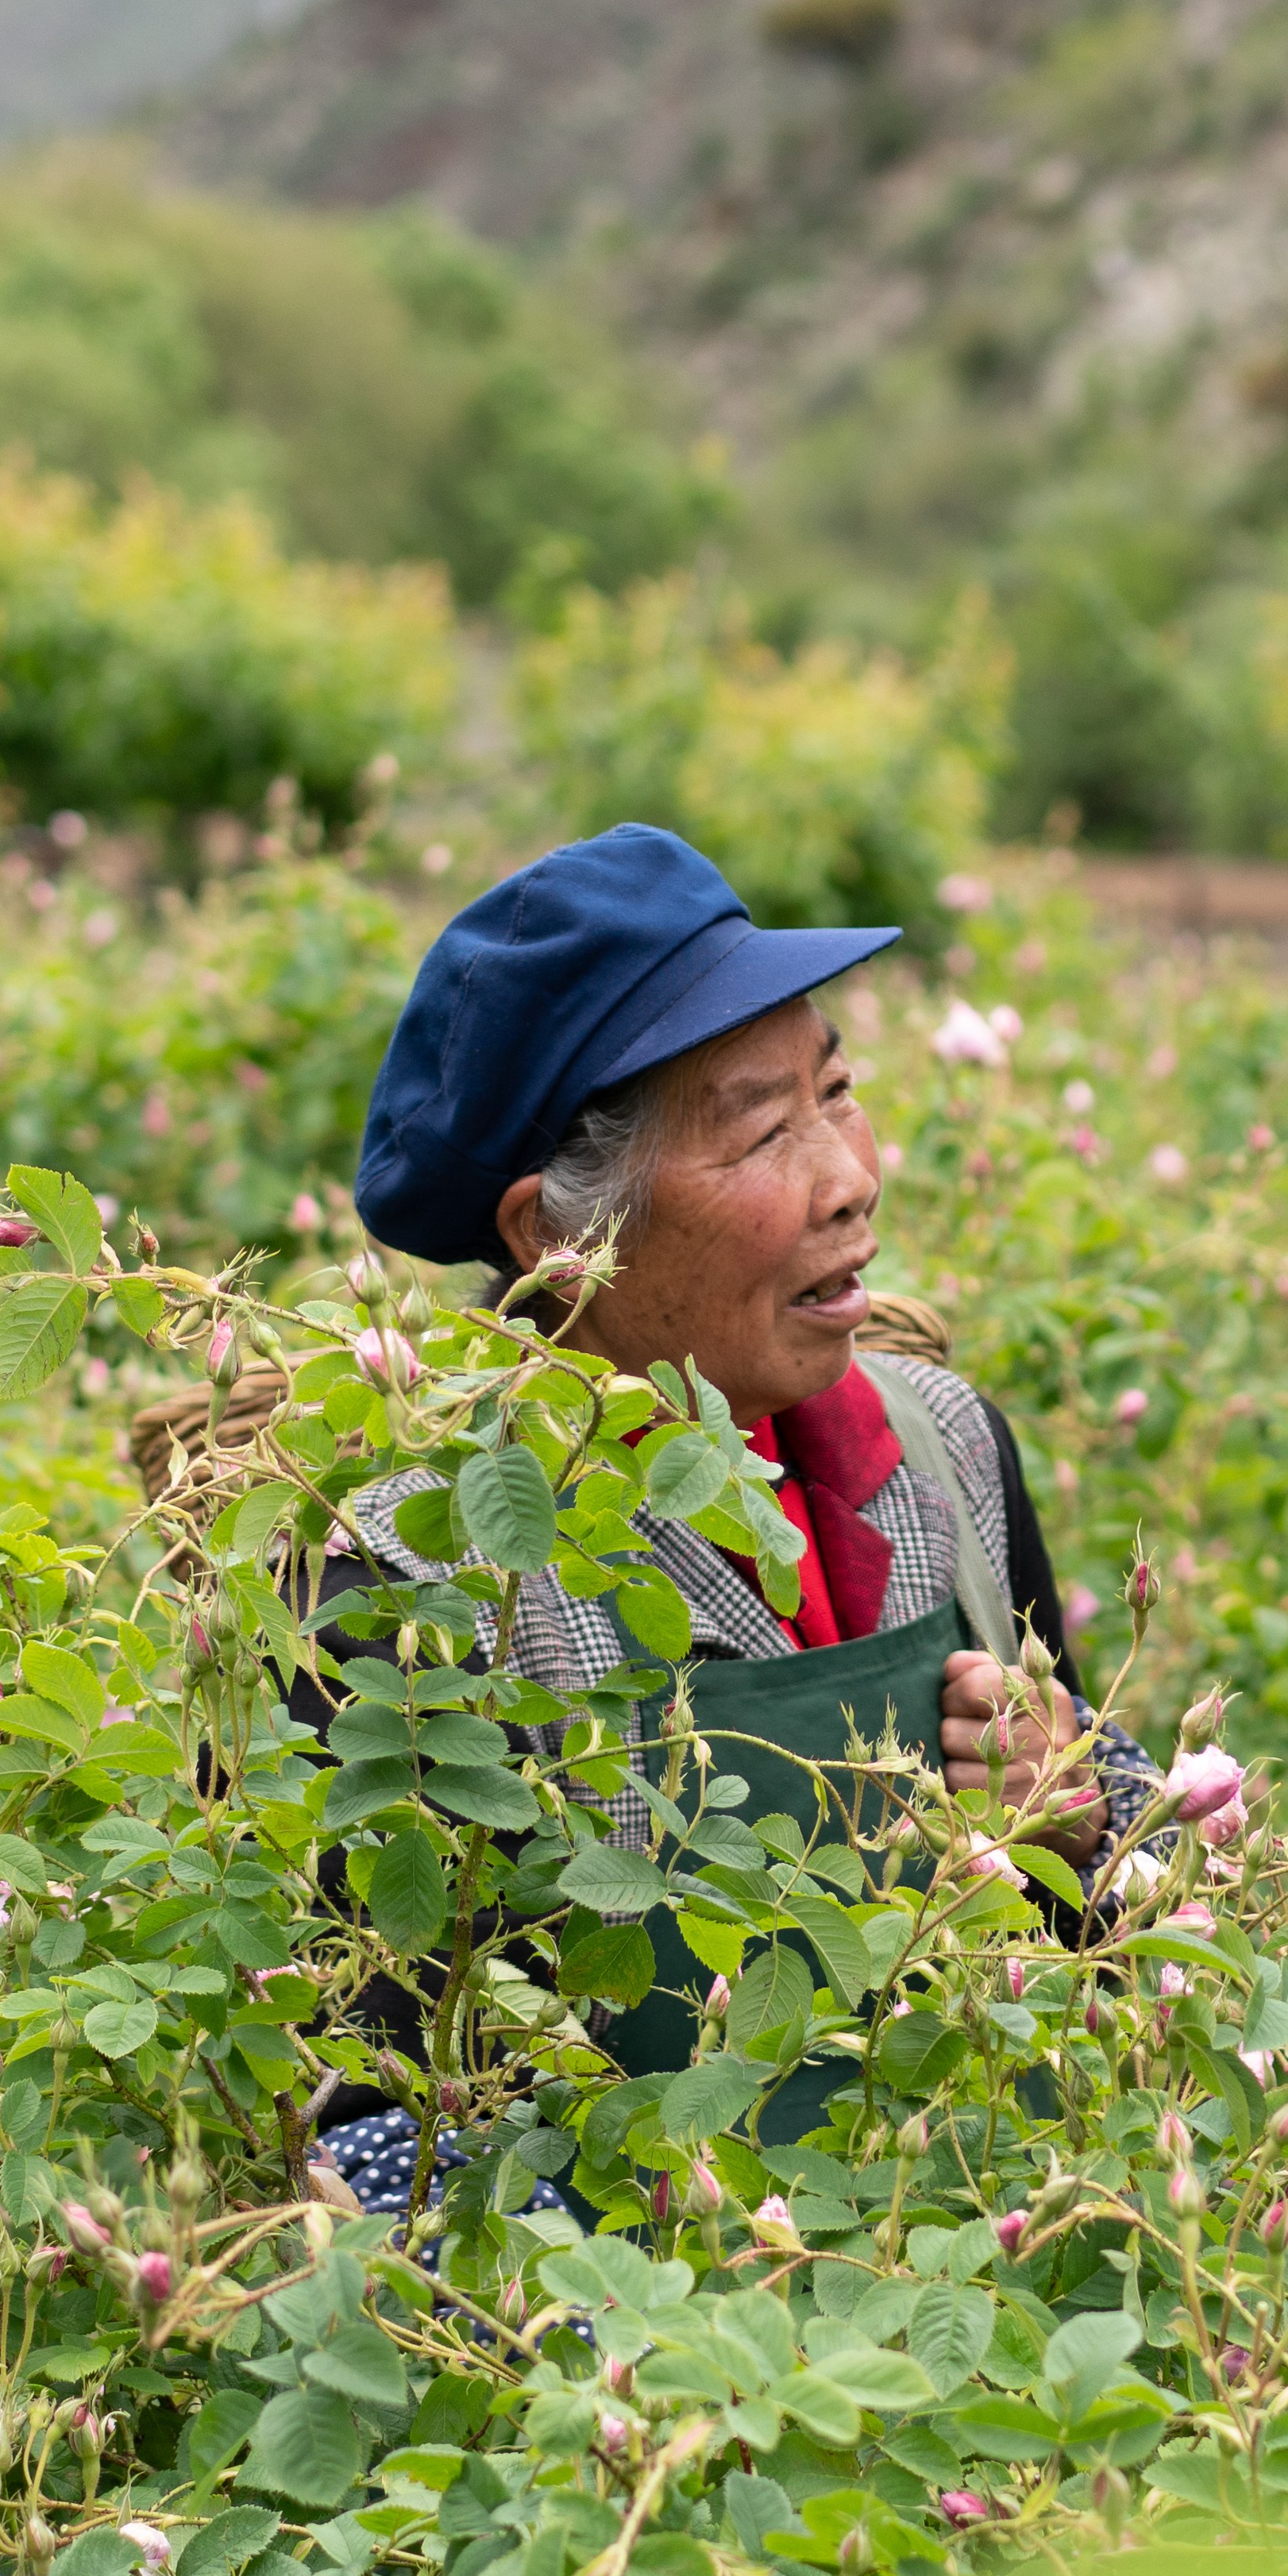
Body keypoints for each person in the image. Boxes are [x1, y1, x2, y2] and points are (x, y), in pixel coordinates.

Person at [295, 825, 1128, 2204]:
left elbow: (1124, 1915)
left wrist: (1081, 1824)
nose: (851, 1175)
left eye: (838, 1092)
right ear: (558, 1241)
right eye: (763, 1133)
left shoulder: (949, 1448)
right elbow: (372, 2139)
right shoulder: (416, 1590)